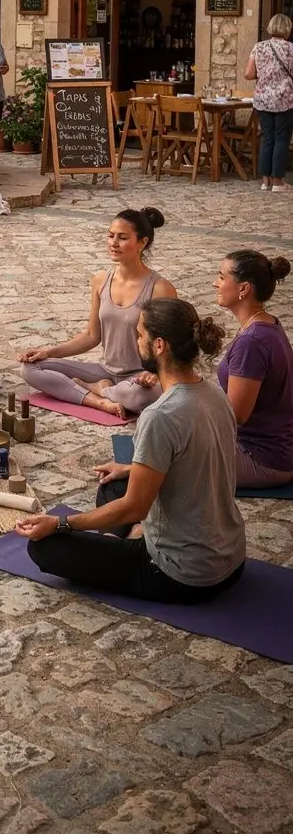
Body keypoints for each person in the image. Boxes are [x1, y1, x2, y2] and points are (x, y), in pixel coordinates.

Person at [16, 298, 246, 604]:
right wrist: (129, 470)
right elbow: (199, 461)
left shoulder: (160, 415)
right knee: (113, 485)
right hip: (232, 560)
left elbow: (134, 508)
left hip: (183, 575)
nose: (136, 342)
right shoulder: (215, 393)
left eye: (139, 335)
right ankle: (128, 538)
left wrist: (60, 523)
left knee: (44, 548)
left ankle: (129, 541)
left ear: (159, 345)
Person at [19, 207, 177, 418]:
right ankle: (99, 401)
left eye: (122, 238)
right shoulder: (101, 280)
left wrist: (154, 374)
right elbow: (91, 336)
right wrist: (48, 352)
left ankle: (97, 389)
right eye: (110, 235)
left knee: (144, 397)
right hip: (104, 370)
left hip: (139, 377)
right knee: (30, 369)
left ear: (142, 243)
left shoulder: (160, 288)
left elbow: (171, 344)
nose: (113, 243)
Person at [214, 249, 293, 488]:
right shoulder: (266, 324)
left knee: (172, 459)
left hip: (260, 457)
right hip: (267, 448)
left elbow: (236, 415)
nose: (215, 283)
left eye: (221, 277)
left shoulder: (252, 342)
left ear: (244, 289)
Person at [244, 12, 293, 192]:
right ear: (287, 29)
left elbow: (248, 74)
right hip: (285, 100)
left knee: (267, 138)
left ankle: (265, 182)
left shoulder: (259, 47)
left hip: (263, 100)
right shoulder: (291, 49)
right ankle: (278, 182)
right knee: (281, 139)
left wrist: (265, 74)